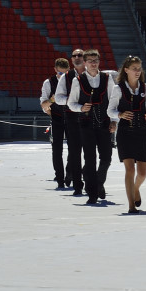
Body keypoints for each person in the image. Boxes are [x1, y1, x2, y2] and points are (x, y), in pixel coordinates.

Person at [107, 55, 146, 213]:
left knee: (142, 173)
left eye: (139, 68)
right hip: (125, 132)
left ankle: (135, 189)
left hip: (141, 130)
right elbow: (110, 110)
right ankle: (131, 205)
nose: (137, 71)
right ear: (126, 70)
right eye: (134, 68)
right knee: (130, 170)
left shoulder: (145, 87)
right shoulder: (118, 88)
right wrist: (119, 115)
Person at [66, 49, 115, 205]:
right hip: (86, 124)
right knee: (90, 158)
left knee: (106, 157)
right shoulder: (77, 80)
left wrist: (115, 120)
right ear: (85, 63)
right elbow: (71, 103)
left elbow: (114, 101)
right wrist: (80, 108)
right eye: (90, 61)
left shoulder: (107, 78)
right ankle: (92, 193)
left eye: (96, 60)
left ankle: (99, 182)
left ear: (99, 62)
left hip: (105, 123)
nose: (93, 63)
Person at [54, 49, 87, 196]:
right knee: (74, 151)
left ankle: (90, 178)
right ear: (71, 59)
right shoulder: (66, 77)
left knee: (91, 151)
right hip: (72, 117)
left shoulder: (94, 74)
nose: (78, 57)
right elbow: (58, 98)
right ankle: (77, 183)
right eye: (75, 55)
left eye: (80, 55)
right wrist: (72, 102)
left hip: (91, 117)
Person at [40, 57, 71, 189]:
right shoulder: (48, 83)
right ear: (55, 70)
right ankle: (59, 178)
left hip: (72, 118)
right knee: (56, 150)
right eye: (60, 73)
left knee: (74, 149)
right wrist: (51, 101)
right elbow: (43, 104)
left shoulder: (74, 81)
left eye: (65, 73)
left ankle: (69, 174)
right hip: (57, 118)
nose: (62, 76)